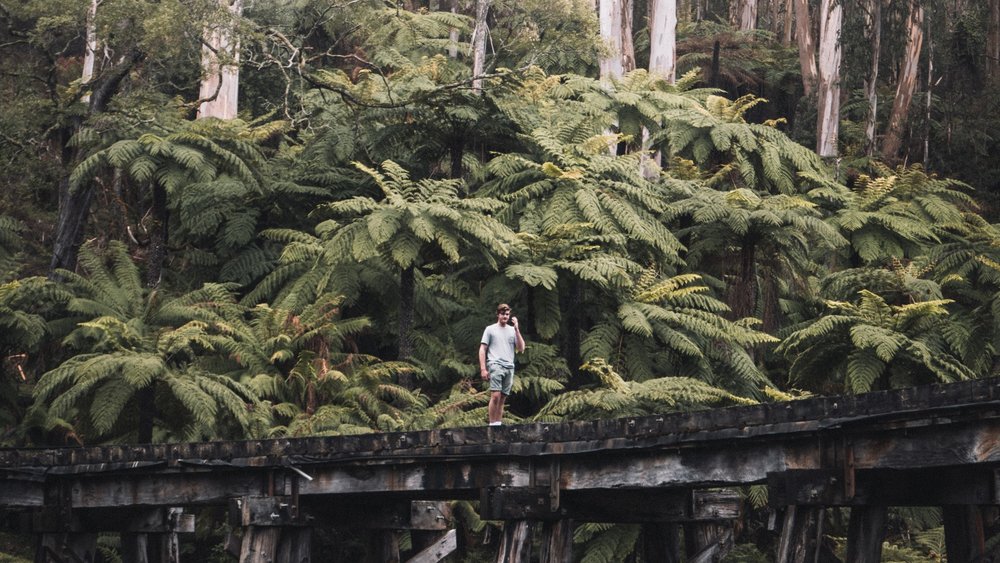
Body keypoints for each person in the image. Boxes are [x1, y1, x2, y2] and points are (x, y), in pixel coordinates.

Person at [479, 303, 525, 426]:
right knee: (495, 395)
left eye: (507, 314)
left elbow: (521, 348)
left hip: (509, 366)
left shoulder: (512, 331)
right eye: (503, 314)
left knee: (503, 397)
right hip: (495, 364)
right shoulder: (490, 329)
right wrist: (483, 369)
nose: (505, 316)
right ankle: (492, 423)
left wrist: (517, 329)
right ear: (498, 314)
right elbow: (482, 348)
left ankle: (497, 424)